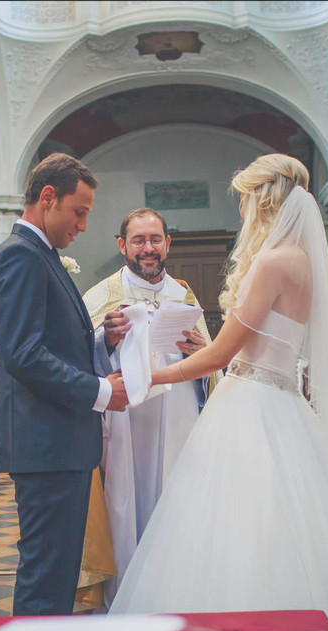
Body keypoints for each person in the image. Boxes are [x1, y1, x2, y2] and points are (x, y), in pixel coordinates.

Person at [108, 154, 328, 631]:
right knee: (291, 524)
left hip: (249, 403)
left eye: (246, 200)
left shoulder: (272, 262)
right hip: (282, 400)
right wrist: (210, 348)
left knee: (238, 523)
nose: (243, 210)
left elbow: (217, 358)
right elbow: (252, 347)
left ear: (263, 200)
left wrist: (148, 378)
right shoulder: (304, 262)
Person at [0, 152, 128, 616]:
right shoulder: (19, 257)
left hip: (58, 442)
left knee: (59, 573)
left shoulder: (41, 255)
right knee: (46, 577)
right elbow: (23, 354)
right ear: (49, 198)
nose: (83, 225)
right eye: (79, 212)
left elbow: (51, 341)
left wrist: (99, 335)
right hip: (46, 443)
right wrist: (102, 392)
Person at [83, 207, 217, 602]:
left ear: (167, 243)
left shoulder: (184, 294)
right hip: (124, 423)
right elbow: (77, 361)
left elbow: (211, 365)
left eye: (155, 239)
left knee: (179, 499)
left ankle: (178, 592)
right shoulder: (101, 295)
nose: (148, 249)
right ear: (122, 245)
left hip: (178, 419)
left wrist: (202, 352)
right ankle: (127, 597)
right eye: (138, 240)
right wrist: (105, 340)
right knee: (125, 505)